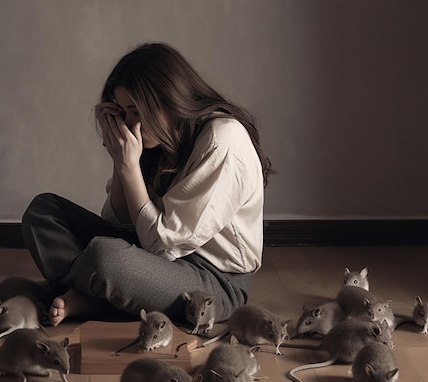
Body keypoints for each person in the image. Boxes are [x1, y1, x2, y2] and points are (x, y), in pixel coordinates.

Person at [21, 42, 271, 326]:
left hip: (213, 281)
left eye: (136, 110)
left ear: (169, 101)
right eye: (124, 111)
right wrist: (121, 161)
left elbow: (161, 245)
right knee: (43, 212)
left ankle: (93, 296)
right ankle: (100, 295)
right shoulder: (160, 139)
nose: (129, 122)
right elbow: (118, 222)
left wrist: (129, 166)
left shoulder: (222, 140)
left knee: (106, 259)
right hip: (154, 256)